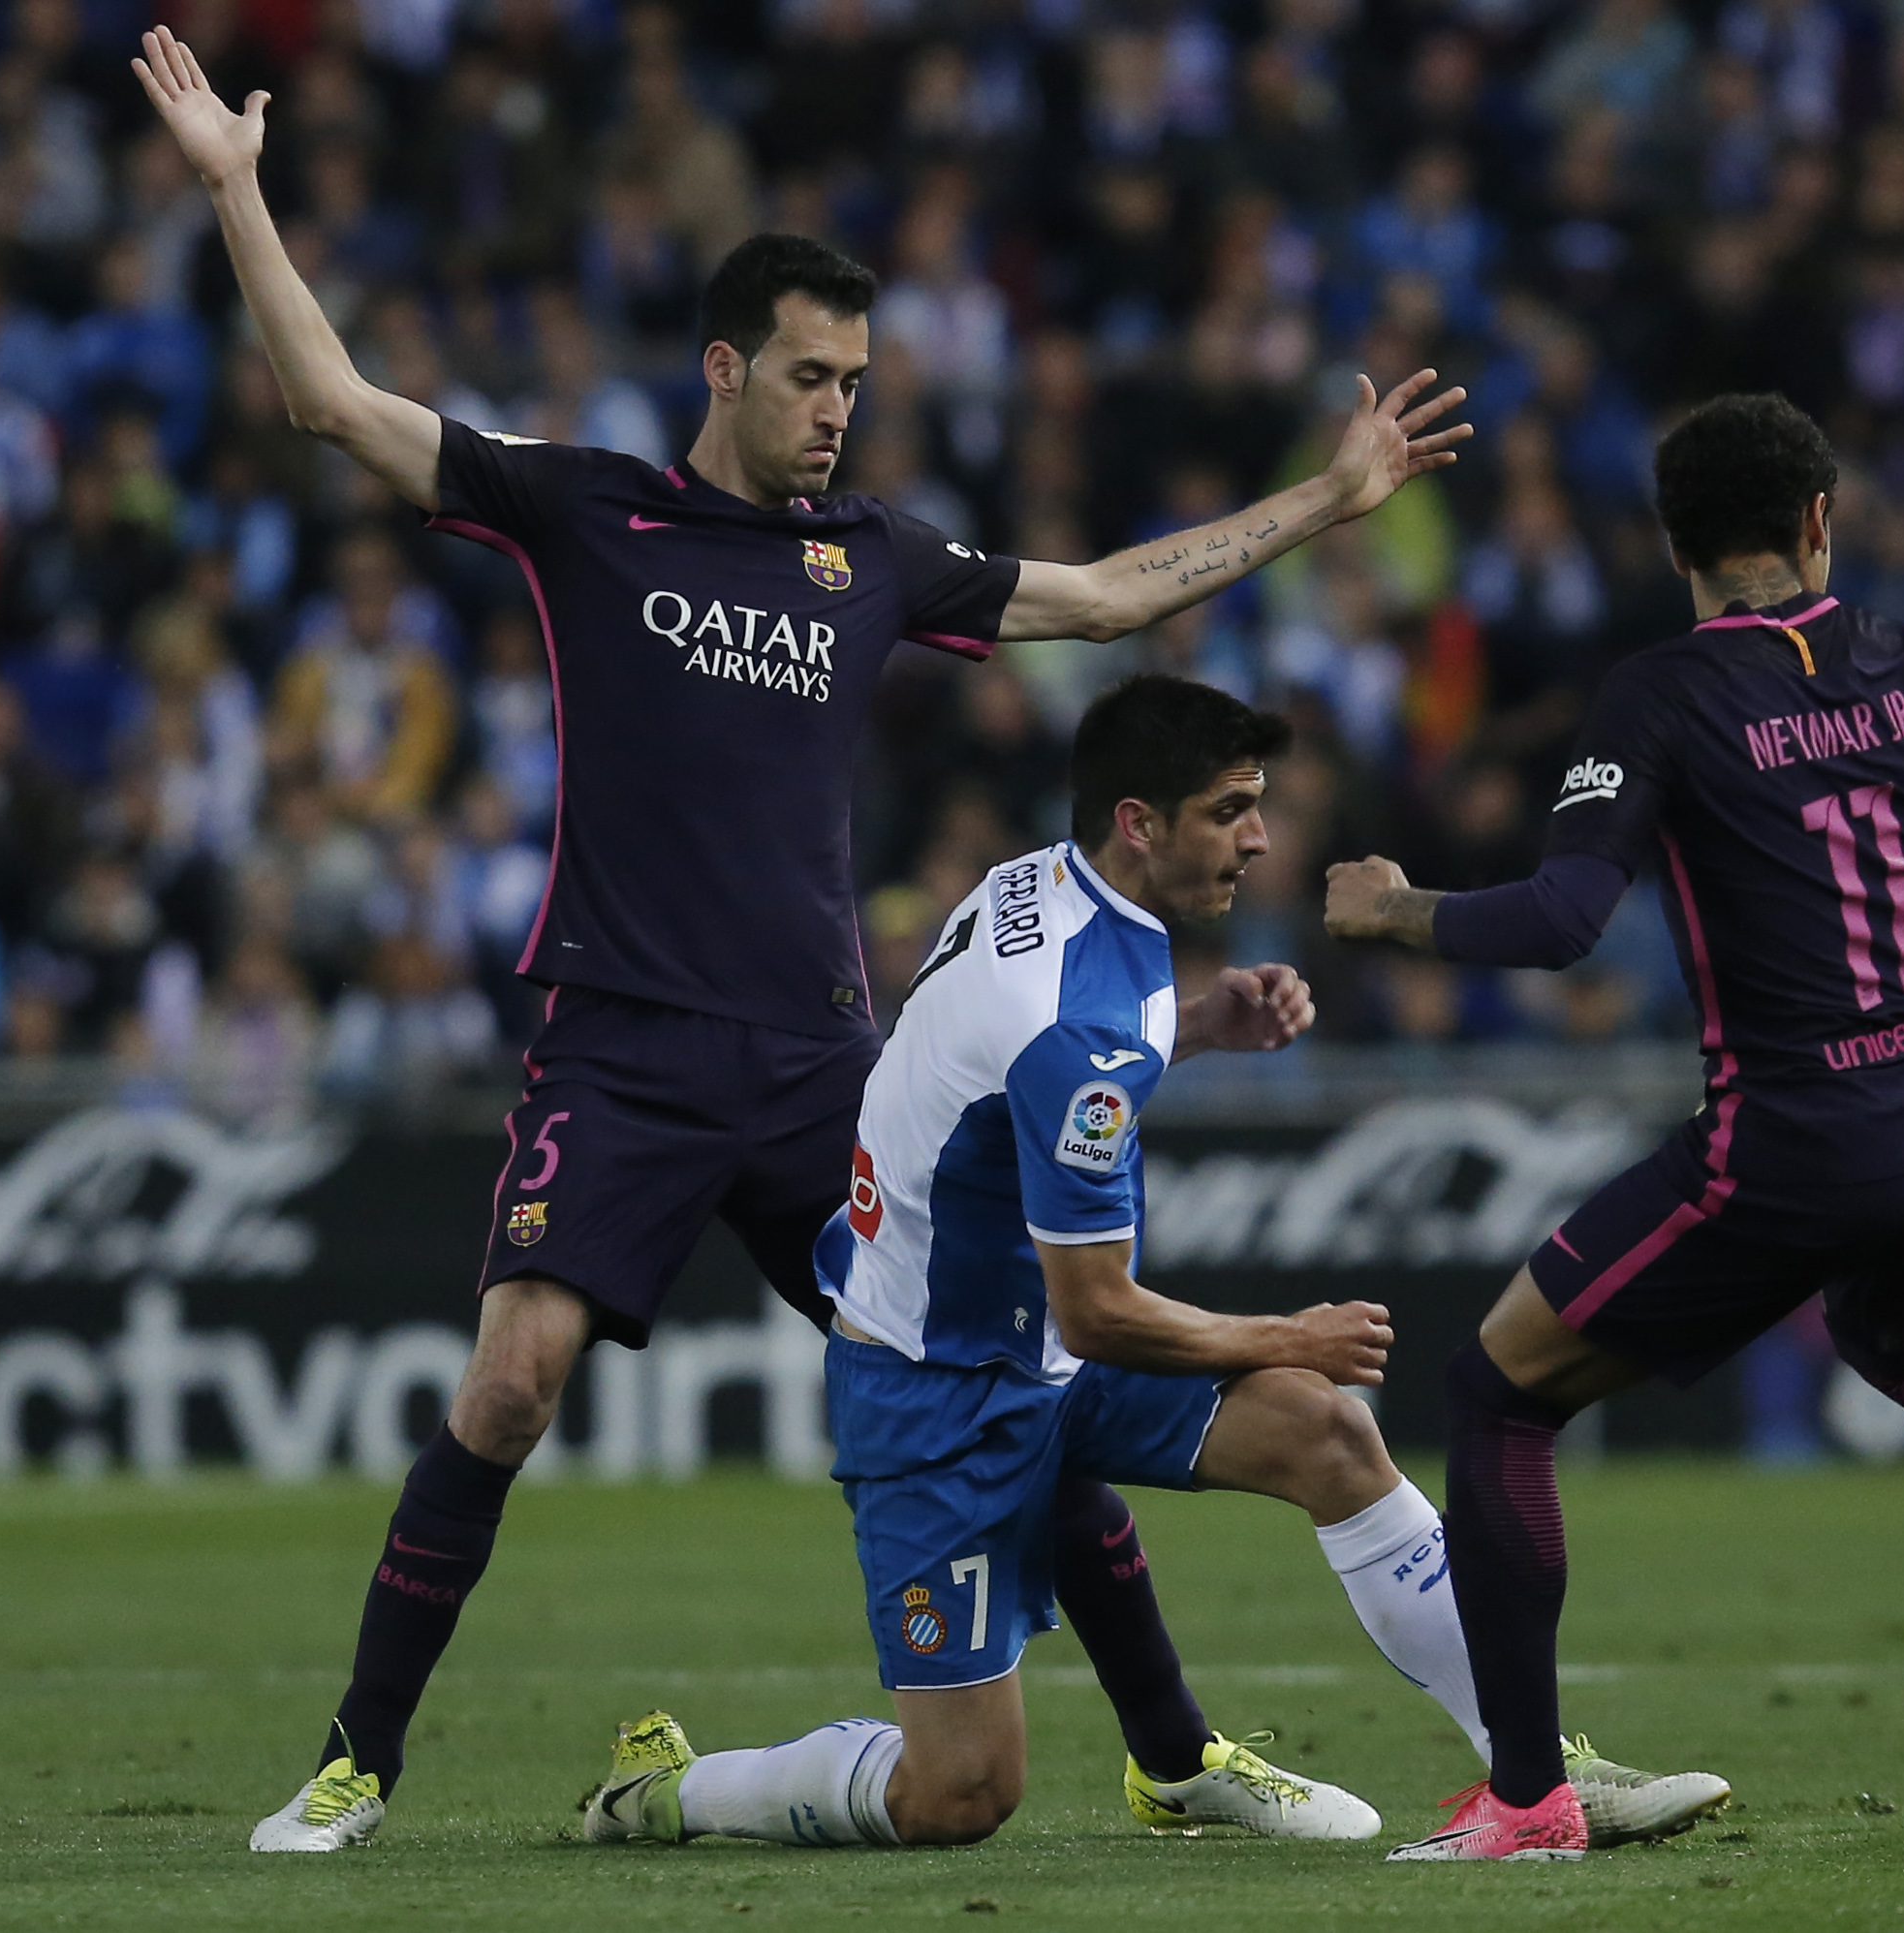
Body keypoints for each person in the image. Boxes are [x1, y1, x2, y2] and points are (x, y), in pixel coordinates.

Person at [129, 27, 1478, 1855]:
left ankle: (1174, 1758)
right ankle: (360, 1757)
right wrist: (232, 184)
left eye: (855, 378)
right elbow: (333, 401)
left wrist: (1325, 504)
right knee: (513, 1379)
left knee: (1019, 1370)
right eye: (810, 374)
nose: (839, 406)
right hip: (618, 1044)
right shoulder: (586, 507)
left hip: (820, 1073)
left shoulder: (875, 557)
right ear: (724, 370)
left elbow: (1096, 599)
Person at [1325, 394, 1904, 1863]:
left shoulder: (1662, 694)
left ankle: (1524, 1796)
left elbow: (1567, 919)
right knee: (1903, 1340)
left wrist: (1395, 910)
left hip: (1795, 1131)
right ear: (1821, 520)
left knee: (1497, 1390)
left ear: (1672, 540)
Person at [581, 676, 1728, 1851]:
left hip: (1028, 1346)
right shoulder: (1079, 1025)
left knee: (1324, 1432)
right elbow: (1098, 1311)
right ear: (1139, 822)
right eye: (1230, 809)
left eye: (1259, 805)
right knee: (958, 1797)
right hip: (940, 1390)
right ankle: (671, 1791)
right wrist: (1291, 1335)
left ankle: (1534, 1772)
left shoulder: (1037, 886)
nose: (1260, 837)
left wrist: (1198, 1020)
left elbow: (1023, 1055)